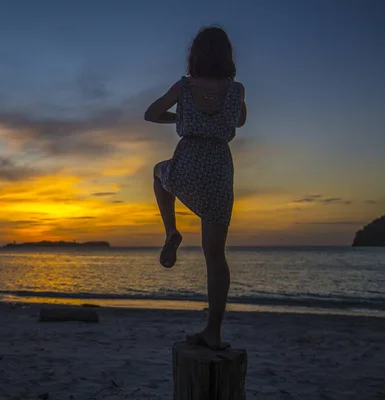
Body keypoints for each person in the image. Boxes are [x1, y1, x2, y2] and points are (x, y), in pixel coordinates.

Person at [144, 26, 247, 350]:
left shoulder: (184, 87)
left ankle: (171, 230)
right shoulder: (237, 90)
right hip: (219, 170)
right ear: (227, 56)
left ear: (196, 55)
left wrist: (181, 116)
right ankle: (213, 332)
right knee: (215, 256)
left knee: (160, 174)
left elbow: (151, 114)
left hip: (188, 162)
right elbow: (240, 121)